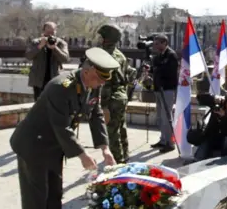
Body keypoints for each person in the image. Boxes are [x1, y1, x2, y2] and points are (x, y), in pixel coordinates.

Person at [10, 47, 119, 209]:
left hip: (55, 146)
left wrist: (105, 148)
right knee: (36, 198)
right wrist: (82, 154)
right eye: (99, 78)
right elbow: (61, 125)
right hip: (33, 145)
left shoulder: (93, 85)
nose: (101, 83)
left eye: (104, 80)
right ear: (87, 71)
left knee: (54, 195)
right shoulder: (61, 87)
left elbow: (96, 114)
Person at [97, 24, 136, 164]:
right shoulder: (120, 54)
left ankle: (117, 163)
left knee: (112, 132)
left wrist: (104, 106)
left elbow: (106, 83)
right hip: (122, 96)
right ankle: (125, 156)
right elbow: (130, 74)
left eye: (101, 37)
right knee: (121, 128)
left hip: (112, 98)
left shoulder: (104, 55)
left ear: (105, 39)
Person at [25, 22, 70, 101]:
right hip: (38, 80)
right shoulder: (35, 42)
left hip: (55, 79)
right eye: (48, 33)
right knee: (39, 102)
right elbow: (28, 56)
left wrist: (55, 48)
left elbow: (65, 59)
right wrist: (40, 46)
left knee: (54, 102)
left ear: (56, 31)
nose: (50, 35)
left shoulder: (61, 43)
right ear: (43, 31)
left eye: (52, 32)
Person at [150, 34, 179, 153]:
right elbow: (155, 70)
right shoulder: (158, 56)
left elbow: (170, 72)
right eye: (154, 43)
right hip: (158, 88)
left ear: (164, 43)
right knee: (160, 117)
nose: (155, 46)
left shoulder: (171, 55)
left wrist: (158, 68)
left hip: (167, 89)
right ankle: (163, 140)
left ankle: (170, 143)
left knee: (166, 117)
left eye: (157, 43)